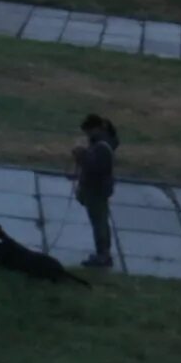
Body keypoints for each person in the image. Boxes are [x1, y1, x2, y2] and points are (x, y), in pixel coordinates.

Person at [68, 113, 120, 268]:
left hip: (96, 190)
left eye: (88, 131)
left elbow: (95, 167)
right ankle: (103, 254)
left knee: (99, 223)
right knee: (100, 221)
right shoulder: (105, 142)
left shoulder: (102, 147)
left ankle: (103, 256)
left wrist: (80, 154)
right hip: (98, 188)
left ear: (95, 129)